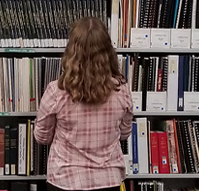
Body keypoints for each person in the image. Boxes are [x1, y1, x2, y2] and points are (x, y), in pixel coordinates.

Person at [34, 17, 133, 191]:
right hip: (108, 181)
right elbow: (125, 133)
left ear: (71, 50)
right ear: (108, 51)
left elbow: (42, 137)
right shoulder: (121, 89)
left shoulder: (56, 91)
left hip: (65, 180)